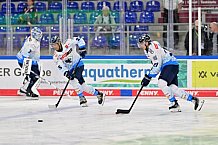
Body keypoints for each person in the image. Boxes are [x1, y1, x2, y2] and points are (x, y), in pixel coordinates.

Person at [137, 33, 204, 112]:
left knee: (161, 83)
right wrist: (149, 75)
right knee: (173, 88)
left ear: (146, 42)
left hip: (170, 65)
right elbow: (157, 63)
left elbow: (157, 64)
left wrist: (148, 76)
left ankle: (173, 103)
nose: (140, 45)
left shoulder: (152, 49)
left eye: (142, 43)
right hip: (172, 65)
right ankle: (193, 100)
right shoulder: (148, 49)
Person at [50, 35, 105, 107]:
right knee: (83, 86)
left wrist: (82, 48)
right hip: (70, 69)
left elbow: (79, 40)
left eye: (54, 44)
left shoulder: (68, 43)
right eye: (52, 45)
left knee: (75, 79)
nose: (54, 46)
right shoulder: (56, 56)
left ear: (59, 43)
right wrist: (66, 73)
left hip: (78, 64)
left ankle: (81, 97)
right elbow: (60, 66)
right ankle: (98, 94)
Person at [16, 27, 42, 100]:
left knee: (35, 76)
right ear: (34, 35)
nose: (40, 37)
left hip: (32, 61)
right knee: (35, 77)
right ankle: (29, 92)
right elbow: (25, 57)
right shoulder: (31, 44)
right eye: (38, 35)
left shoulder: (34, 40)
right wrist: (26, 70)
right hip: (25, 61)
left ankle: (23, 89)